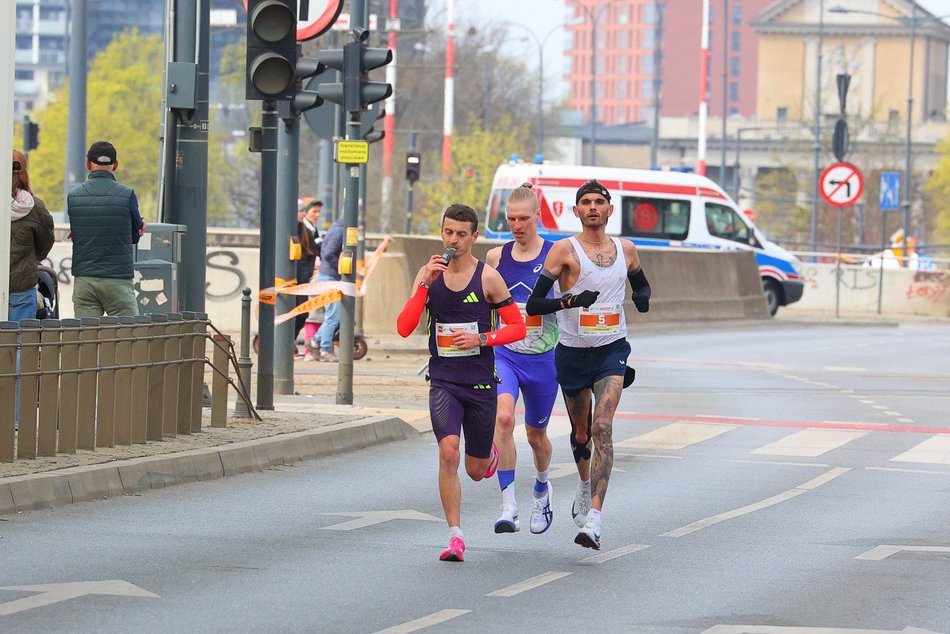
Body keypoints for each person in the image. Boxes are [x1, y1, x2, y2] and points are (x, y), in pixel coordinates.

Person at [396, 203, 526, 562]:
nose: (454, 240)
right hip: (444, 380)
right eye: (449, 232)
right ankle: (455, 536)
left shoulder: (488, 278)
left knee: (476, 470)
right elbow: (404, 327)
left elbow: (517, 327)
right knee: (448, 452)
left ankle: (490, 456)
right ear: (441, 233)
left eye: (462, 234)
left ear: (474, 237)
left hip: (481, 383)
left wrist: (482, 339)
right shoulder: (428, 274)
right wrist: (423, 285)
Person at [526, 179, 651, 550]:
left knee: (602, 426)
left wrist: (642, 298)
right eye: (586, 202)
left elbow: (641, 285)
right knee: (581, 432)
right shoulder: (564, 251)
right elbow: (534, 305)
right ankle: (583, 485)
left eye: (600, 201)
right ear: (577, 211)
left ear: (610, 210)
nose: (593, 207)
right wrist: (570, 301)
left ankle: (595, 519)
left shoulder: (626, 249)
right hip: (572, 351)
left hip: (612, 350)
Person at [484, 184, 559, 535]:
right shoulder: (497, 258)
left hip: (544, 358)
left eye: (524, 218)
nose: (517, 225)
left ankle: (542, 487)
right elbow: (487, 305)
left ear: (537, 216)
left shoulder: (557, 255)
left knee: (535, 435)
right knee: (502, 419)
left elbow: (572, 307)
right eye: (511, 219)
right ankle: (508, 505)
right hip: (506, 354)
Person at [67, 141, 145, 318]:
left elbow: (78, 231)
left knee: (87, 339)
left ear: (88, 164)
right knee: (127, 337)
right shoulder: (127, 195)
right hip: (117, 279)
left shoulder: (73, 196)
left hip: (84, 278)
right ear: (115, 165)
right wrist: (139, 227)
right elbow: (134, 236)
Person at [9, 150, 55, 321]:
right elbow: (46, 239)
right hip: (22, 284)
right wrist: (35, 257)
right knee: (20, 341)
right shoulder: (35, 207)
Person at [306, 214, 343, 362]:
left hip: (328, 276)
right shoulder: (339, 231)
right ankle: (325, 349)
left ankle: (315, 342)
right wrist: (340, 269)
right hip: (330, 278)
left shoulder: (336, 229)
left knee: (333, 316)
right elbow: (328, 254)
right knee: (333, 317)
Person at [295, 200, 321, 361]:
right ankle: (286, 344)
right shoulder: (284, 229)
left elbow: (312, 252)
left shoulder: (304, 230)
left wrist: (307, 272)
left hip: (302, 282)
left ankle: (290, 341)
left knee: (302, 314)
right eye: (301, 211)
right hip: (287, 282)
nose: (303, 214)